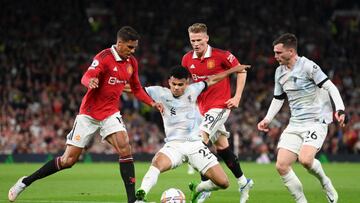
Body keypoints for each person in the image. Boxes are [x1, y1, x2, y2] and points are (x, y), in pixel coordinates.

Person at [8, 26, 164, 203]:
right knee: (68, 160)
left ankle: (132, 201)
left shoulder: (132, 63)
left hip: (110, 112)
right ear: (119, 43)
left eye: (135, 47)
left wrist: (152, 103)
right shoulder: (103, 57)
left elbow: (136, 88)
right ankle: (25, 182)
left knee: (125, 147)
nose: (133, 51)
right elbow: (87, 75)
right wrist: (90, 81)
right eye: (130, 47)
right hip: (89, 114)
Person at [134, 65, 250, 203]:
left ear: (187, 83)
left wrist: (233, 70)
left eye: (180, 84)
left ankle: (199, 188)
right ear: (169, 82)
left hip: (195, 144)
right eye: (173, 84)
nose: (176, 87)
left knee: (223, 183)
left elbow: (213, 79)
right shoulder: (158, 92)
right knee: (157, 163)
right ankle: (141, 196)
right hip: (174, 145)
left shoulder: (194, 89)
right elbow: (134, 89)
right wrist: (106, 85)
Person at [257, 33, 346, 203]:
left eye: (278, 52)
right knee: (281, 165)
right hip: (295, 123)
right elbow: (278, 98)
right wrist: (267, 118)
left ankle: (326, 183)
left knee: (305, 160)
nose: (275, 56)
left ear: (291, 51)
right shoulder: (279, 72)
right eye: (274, 52)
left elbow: (331, 87)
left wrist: (340, 110)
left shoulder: (308, 66)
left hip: (315, 122)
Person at [181, 23, 253, 203]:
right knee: (222, 148)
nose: (195, 44)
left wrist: (237, 97)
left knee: (198, 142)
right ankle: (244, 182)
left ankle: (205, 184)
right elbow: (188, 84)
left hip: (220, 106)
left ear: (206, 38)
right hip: (201, 109)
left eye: (199, 40)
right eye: (192, 40)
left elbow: (241, 70)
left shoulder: (222, 55)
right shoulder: (187, 59)